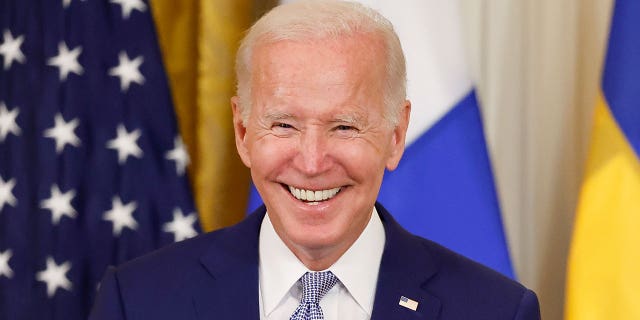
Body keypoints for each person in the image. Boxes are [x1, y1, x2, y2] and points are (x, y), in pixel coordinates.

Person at [89, 1, 541, 319]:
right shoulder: (139, 301)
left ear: (395, 135)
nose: (311, 162)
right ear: (243, 132)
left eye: (344, 126)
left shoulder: (495, 310)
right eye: (283, 125)